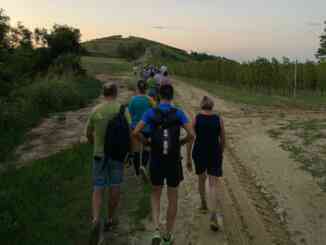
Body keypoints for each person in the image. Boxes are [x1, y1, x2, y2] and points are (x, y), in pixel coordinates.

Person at [133, 84, 194, 245]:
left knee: (155, 194)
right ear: (172, 96)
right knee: (173, 197)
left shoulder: (150, 112)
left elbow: (135, 132)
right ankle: (168, 235)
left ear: (159, 96)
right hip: (173, 160)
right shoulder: (179, 113)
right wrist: (181, 143)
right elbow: (192, 134)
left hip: (157, 159)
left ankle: (156, 230)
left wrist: (146, 143)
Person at [86, 83, 131, 244]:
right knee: (115, 185)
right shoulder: (122, 110)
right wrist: (128, 152)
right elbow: (129, 132)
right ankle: (110, 219)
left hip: (99, 154)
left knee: (98, 187)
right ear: (116, 93)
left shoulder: (95, 110)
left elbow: (88, 133)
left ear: (103, 93)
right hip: (117, 156)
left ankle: (96, 219)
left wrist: (94, 144)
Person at [188, 96, 225, 231]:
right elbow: (223, 139)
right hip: (214, 152)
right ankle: (213, 215)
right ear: (212, 106)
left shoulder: (196, 118)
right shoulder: (218, 119)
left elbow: (191, 138)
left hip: (199, 152)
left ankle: (203, 203)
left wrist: (187, 157)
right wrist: (221, 153)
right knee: (213, 184)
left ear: (201, 106)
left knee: (201, 179)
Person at [128, 80, 155, 180]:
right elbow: (155, 112)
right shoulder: (150, 99)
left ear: (137, 88)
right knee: (147, 148)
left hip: (136, 128)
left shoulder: (133, 100)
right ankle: (143, 165)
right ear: (146, 89)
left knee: (136, 150)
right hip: (148, 128)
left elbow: (129, 114)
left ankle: (137, 173)